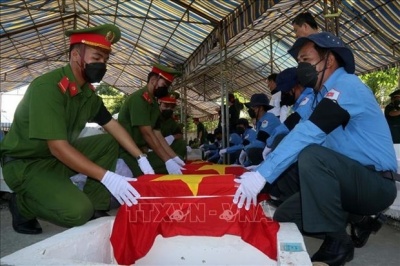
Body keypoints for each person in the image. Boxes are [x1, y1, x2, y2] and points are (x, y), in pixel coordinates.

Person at [233, 32, 397, 266]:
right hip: (348, 182)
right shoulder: (321, 97)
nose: (301, 68)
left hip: (375, 183)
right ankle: (358, 219)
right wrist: (263, 166)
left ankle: (338, 241)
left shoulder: (347, 85)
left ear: (328, 60)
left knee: (311, 155)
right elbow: (295, 134)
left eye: (305, 61)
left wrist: (261, 175)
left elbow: (309, 132)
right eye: (299, 63)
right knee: (286, 216)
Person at [0, 24, 156, 235]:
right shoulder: (48, 88)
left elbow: (112, 125)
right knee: (78, 212)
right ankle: (23, 205)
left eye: (105, 60)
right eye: (97, 58)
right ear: (75, 56)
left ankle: (96, 203)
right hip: (26, 165)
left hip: (55, 160)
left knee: (109, 141)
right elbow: (57, 147)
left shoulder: (87, 94)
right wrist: (107, 177)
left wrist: (140, 157)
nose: (102, 65)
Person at [118, 64, 185, 177]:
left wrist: (173, 157)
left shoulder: (153, 103)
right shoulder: (138, 99)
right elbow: (147, 133)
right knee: (164, 167)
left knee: (176, 161)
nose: (166, 89)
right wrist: (167, 160)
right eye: (164, 85)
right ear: (153, 80)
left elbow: (157, 134)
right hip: (129, 153)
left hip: (143, 152)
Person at [241, 93, 281, 166]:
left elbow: (260, 143)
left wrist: (244, 149)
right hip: (270, 151)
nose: (251, 110)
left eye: (253, 107)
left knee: (253, 151)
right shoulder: (260, 122)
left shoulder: (269, 118)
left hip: (276, 152)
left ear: (261, 108)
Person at [157, 92, 187, 159]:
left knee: (181, 144)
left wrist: (172, 137)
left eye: (172, 107)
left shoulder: (170, 120)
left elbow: (179, 134)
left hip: (167, 148)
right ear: (159, 102)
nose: (169, 109)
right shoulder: (153, 116)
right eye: (166, 106)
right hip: (153, 147)